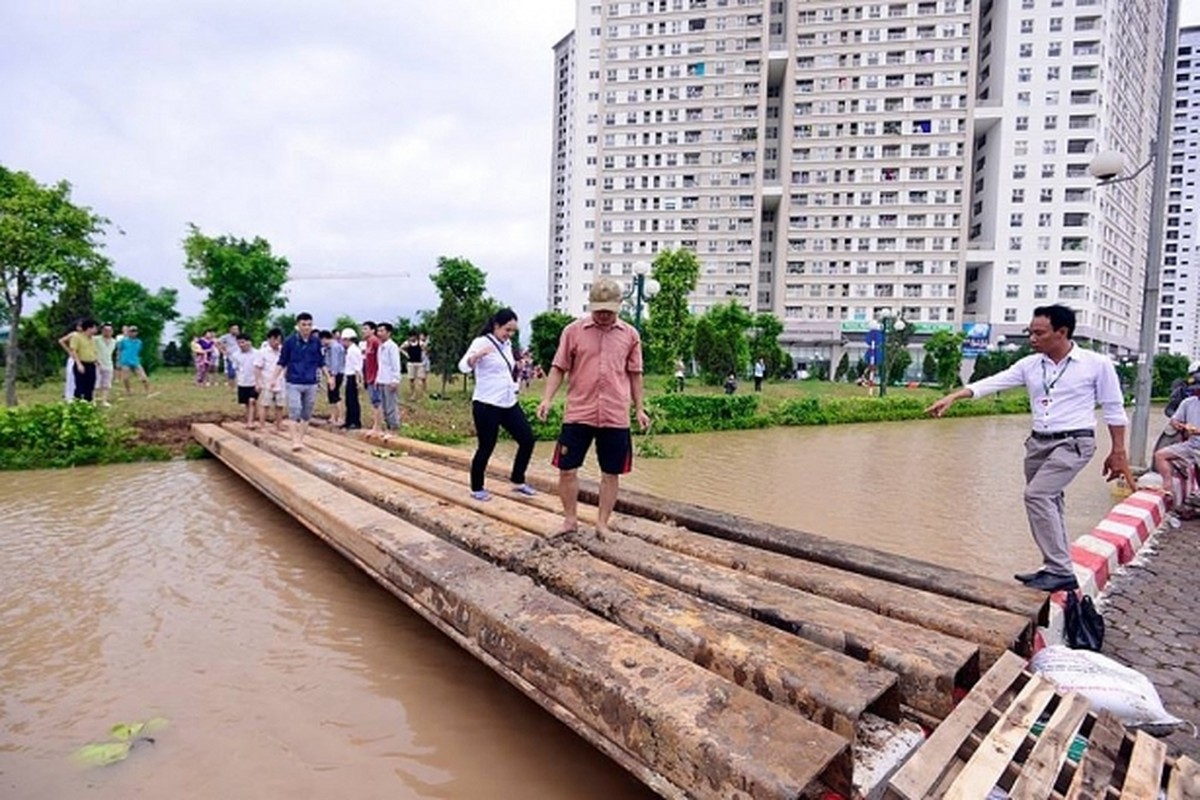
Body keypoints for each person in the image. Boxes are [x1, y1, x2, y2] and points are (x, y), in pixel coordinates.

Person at [925, 304, 1129, 593]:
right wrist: (954, 396)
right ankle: (1056, 565)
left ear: (1062, 332)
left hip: (1074, 442)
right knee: (1050, 500)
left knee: (1037, 495)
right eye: (1030, 332)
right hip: (1038, 443)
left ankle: (1059, 570)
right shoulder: (1030, 365)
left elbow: (1114, 409)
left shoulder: (1097, 364)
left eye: (1039, 333)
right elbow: (995, 382)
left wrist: (1118, 451)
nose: (1032, 339)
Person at [536, 278, 650, 535]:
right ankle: (570, 520)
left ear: (619, 306)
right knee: (567, 469)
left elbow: (635, 374)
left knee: (611, 473)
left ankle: (601, 524)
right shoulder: (573, 331)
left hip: (615, 415)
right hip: (579, 412)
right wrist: (547, 399)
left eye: (609, 311)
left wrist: (639, 409)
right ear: (591, 306)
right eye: (599, 310)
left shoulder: (631, 335)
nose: (604, 316)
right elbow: (558, 367)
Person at [459, 309, 537, 501]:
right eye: (507, 330)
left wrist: (517, 367)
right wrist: (476, 357)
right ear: (496, 326)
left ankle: (518, 479)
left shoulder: (507, 344)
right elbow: (463, 366)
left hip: (508, 401)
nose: (509, 334)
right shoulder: (481, 342)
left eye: (513, 331)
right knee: (487, 446)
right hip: (487, 403)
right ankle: (477, 487)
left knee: (527, 439)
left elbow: (504, 368)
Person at [272, 313, 329, 451]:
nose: (307, 327)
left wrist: (329, 377)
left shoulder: (315, 342)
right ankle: (295, 441)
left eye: (309, 324)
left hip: (311, 382)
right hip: (293, 381)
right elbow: (282, 361)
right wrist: (274, 378)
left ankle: (301, 439)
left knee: (307, 412)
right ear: (298, 325)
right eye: (304, 324)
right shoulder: (290, 342)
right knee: (295, 410)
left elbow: (321, 362)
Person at [1153, 384, 1200, 504]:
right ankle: (1168, 488)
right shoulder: (1188, 403)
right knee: (1160, 455)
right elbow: (1175, 419)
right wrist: (1178, 425)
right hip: (1192, 444)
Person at [60, 318, 99, 402]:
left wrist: (96, 360)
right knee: (80, 385)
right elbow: (74, 350)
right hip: (82, 363)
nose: (96, 330)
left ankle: (88, 402)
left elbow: (93, 351)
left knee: (90, 385)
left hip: (91, 364)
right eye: (95, 327)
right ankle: (78, 403)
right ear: (89, 328)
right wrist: (78, 364)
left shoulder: (92, 339)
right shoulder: (76, 336)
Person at [255, 328, 286, 432]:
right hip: (267, 382)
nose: (277, 342)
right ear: (269, 339)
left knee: (280, 405)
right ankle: (262, 425)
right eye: (274, 340)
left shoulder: (283, 351)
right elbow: (257, 367)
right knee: (265, 404)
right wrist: (258, 382)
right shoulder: (262, 352)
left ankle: (279, 424)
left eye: (279, 340)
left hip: (281, 381)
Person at [375, 322, 402, 431]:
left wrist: (395, 380)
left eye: (382, 331)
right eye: (378, 331)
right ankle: (388, 426)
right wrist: (378, 378)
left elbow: (395, 364)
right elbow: (380, 365)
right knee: (384, 406)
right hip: (382, 379)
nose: (379, 333)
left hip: (389, 381)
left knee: (391, 406)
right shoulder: (381, 347)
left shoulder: (392, 347)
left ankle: (394, 427)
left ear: (388, 333)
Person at [230, 333, 260, 428]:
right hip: (242, 382)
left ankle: (250, 422)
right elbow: (236, 369)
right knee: (247, 403)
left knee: (252, 401)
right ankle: (250, 420)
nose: (241, 345)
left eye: (243, 342)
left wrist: (259, 382)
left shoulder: (257, 353)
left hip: (254, 381)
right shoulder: (236, 355)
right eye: (239, 343)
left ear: (249, 342)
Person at [361, 321, 384, 434]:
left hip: (375, 377)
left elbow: (380, 360)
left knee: (376, 402)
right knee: (374, 402)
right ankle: (376, 425)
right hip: (369, 376)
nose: (363, 331)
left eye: (365, 329)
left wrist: (378, 377)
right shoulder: (368, 342)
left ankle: (377, 427)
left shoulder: (375, 341)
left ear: (372, 330)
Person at [117, 325, 151, 396]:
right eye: (131, 331)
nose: (133, 333)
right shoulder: (123, 341)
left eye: (135, 331)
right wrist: (118, 361)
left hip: (135, 362)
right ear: (128, 332)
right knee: (126, 378)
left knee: (143, 377)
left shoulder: (139, 342)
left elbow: (139, 351)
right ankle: (128, 391)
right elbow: (119, 351)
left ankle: (147, 391)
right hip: (125, 362)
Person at [321, 329, 345, 427]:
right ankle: (333, 416)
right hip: (332, 373)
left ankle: (340, 417)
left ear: (325, 338)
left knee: (335, 395)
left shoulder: (334, 347)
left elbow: (335, 363)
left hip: (336, 373)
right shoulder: (329, 347)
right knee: (331, 395)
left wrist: (333, 377)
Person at [341, 327, 363, 430]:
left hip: (353, 376)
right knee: (349, 400)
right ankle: (349, 420)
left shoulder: (353, 350)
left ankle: (355, 421)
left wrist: (358, 381)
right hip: (349, 376)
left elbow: (357, 367)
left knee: (353, 400)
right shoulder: (350, 350)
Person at [94, 323, 117, 406]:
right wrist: (96, 361)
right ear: (102, 330)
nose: (107, 332)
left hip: (108, 363)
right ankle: (93, 400)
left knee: (106, 383)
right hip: (97, 363)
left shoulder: (114, 341)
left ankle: (104, 400)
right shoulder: (96, 339)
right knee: (95, 383)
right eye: (105, 330)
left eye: (109, 330)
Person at [218, 324, 241, 389]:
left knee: (239, 372)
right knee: (231, 372)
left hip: (240, 357)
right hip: (230, 357)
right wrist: (222, 351)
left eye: (237, 329)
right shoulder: (226, 337)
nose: (235, 330)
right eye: (234, 329)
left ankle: (237, 385)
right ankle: (231, 386)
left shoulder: (240, 337)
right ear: (230, 330)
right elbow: (217, 342)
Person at [403, 332, 424, 400]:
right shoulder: (407, 343)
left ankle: (420, 394)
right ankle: (413, 394)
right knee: (411, 379)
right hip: (411, 363)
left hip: (419, 363)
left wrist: (423, 355)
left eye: (413, 336)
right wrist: (406, 354)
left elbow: (425, 349)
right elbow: (400, 348)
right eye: (410, 336)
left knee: (420, 379)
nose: (412, 338)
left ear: (415, 336)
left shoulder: (420, 343)